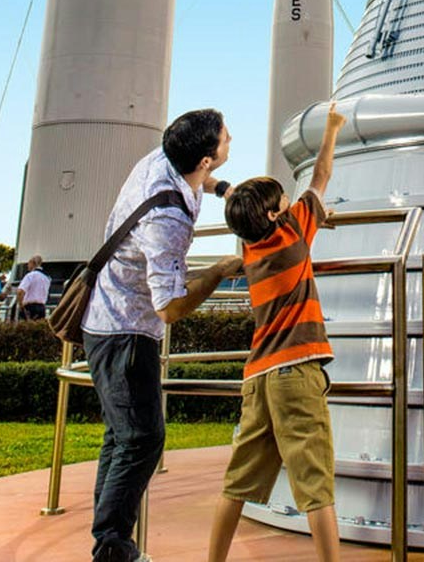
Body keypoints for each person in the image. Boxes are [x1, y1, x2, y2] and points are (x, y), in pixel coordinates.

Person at [85, 109, 240, 562]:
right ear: (207, 158)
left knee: (121, 438)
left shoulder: (163, 160)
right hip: (127, 332)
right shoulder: (167, 220)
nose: (232, 139)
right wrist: (218, 272)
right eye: (226, 139)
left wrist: (225, 189)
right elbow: (169, 308)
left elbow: (198, 180)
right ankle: (113, 549)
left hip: (108, 321)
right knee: (143, 440)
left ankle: (110, 543)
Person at [208, 103, 346, 562]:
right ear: (273, 218)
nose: (290, 203)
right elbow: (321, 177)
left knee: (239, 480)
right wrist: (331, 129)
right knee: (315, 482)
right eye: (282, 203)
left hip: (258, 375)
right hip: (296, 373)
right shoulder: (291, 235)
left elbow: (239, 199)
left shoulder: (249, 249)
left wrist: (215, 185)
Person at [18, 254, 51, 321]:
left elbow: (20, 291)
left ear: (32, 263)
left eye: (29, 263)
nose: (27, 265)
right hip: (42, 307)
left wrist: (21, 305)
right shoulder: (47, 278)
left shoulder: (30, 275)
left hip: (30, 307)